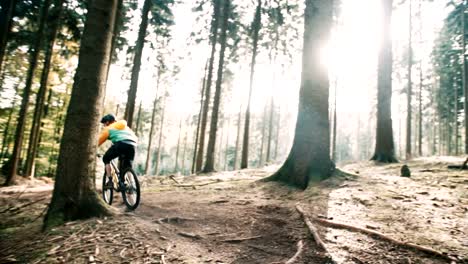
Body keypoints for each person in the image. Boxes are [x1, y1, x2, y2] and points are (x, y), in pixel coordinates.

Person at [98, 114, 138, 187]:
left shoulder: (108, 128)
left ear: (107, 122)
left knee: (106, 158)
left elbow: (98, 141)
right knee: (127, 166)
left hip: (121, 144)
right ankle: (131, 184)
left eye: (104, 123)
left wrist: (93, 149)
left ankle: (110, 182)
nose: (104, 125)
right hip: (133, 145)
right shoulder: (125, 127)